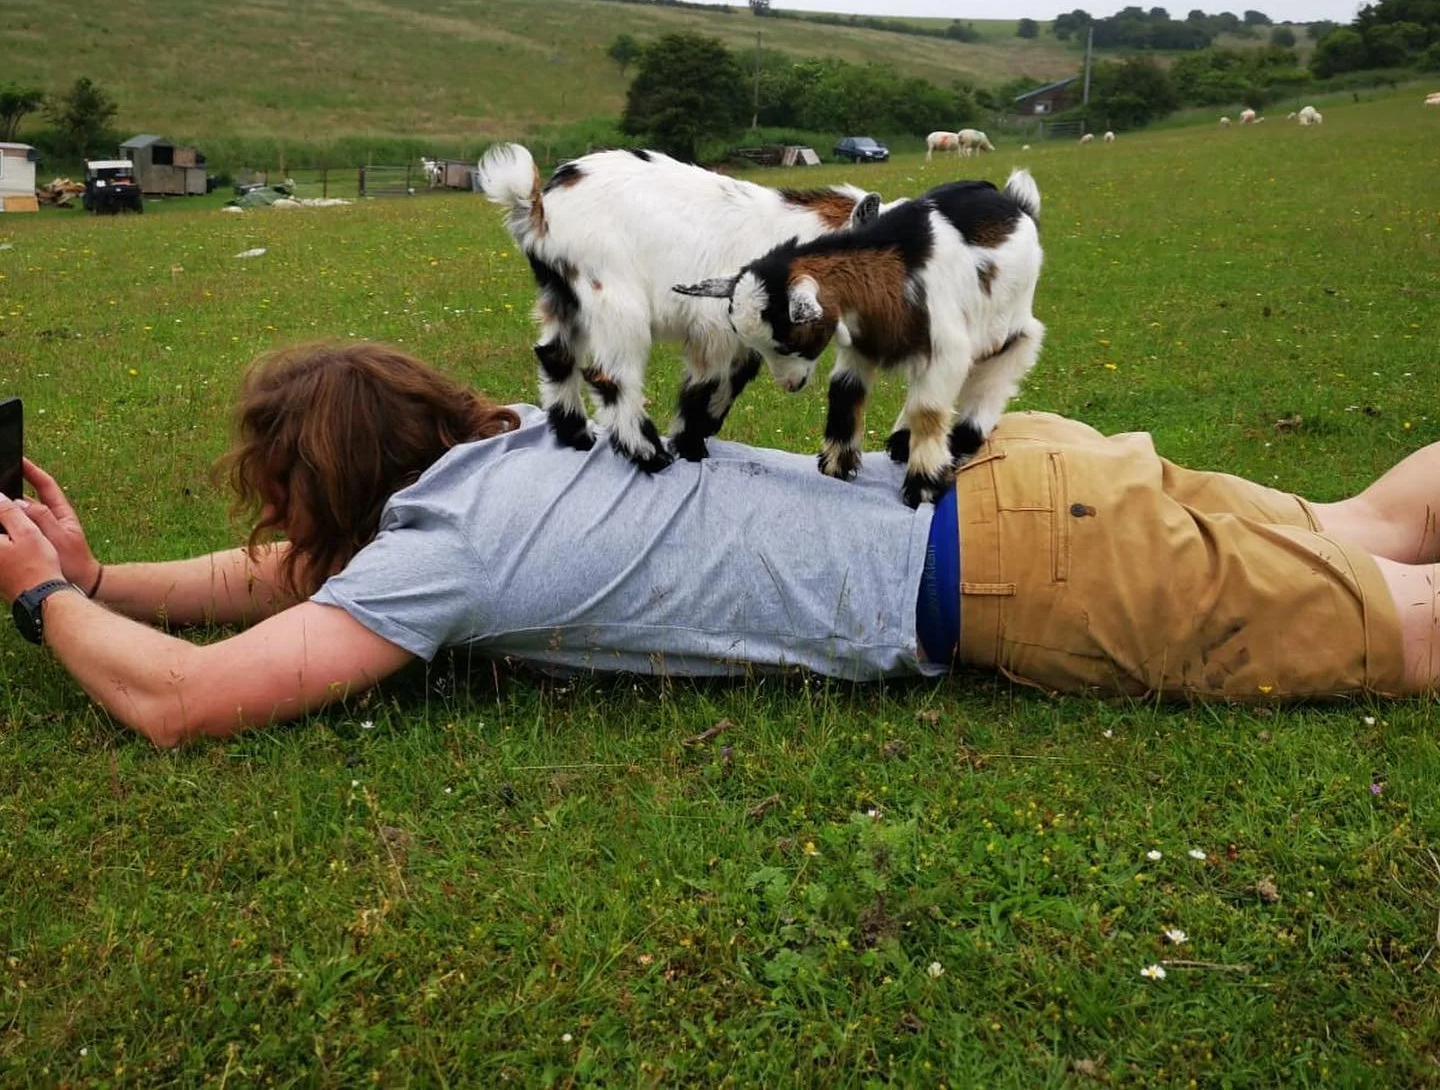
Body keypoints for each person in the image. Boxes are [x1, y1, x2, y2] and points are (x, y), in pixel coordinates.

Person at [1, 340, 1436, 746]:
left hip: (1029, 574)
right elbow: (290, 578)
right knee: (1371, 525)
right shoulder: (513, 439)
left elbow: (184, 703)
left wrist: (35, 610)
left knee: (1411, 630)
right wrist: (99, 575)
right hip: (1018, 472)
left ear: (332, 506)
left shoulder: (443, 555)